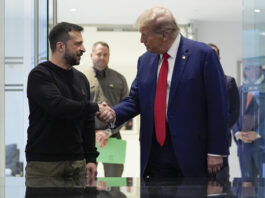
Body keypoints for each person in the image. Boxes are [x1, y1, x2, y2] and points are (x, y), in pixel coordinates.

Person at [100, 7, 229, 178]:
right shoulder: (145, 60)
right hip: (155, 152)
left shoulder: (203, 55)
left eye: (145, 34)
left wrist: (216, 151)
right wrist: (114, 112)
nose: (141, 40)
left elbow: (218, 105)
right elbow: (136, 100)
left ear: (164, 35)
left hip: (193, 152)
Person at [25, 22, 114, 178]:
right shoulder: (40, 75)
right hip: (45, 164)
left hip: (77, 163)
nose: (83, 49)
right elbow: (57, 105)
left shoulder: (81, 79)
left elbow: (87, 122)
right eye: (78, 44)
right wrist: (96, 107)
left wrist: (91, 158)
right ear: (60, 47)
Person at [81, 41, 129, 177]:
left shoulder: (119, 79)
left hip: (113, 138)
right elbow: (78, 110)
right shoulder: (81, 78)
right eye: (98, 54)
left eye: (105, 54)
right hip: (88, 140)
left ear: (109, 56)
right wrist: (93, 132)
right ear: (91, 55)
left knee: (114, 184)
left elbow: (126, 111)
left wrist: (108, 132)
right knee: (87, 181)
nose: (102, 57)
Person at [208, 43, 240, 179]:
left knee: (220, 185)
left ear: (219, 58)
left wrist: (219, 131)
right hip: (196, 144)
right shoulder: (192, 82)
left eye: (214, 55)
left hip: (220, 143)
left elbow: (234, 112)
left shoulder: (228, 82)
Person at [232, 65, 265, 178]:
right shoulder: (239, 90)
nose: (250, 71)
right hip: (243, 148)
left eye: (254, 67)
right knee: (247, 189)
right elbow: (233, 114)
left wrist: (259, 133)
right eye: (247, 68)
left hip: (262, 146)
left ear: (261, 68)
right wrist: (237, 133)